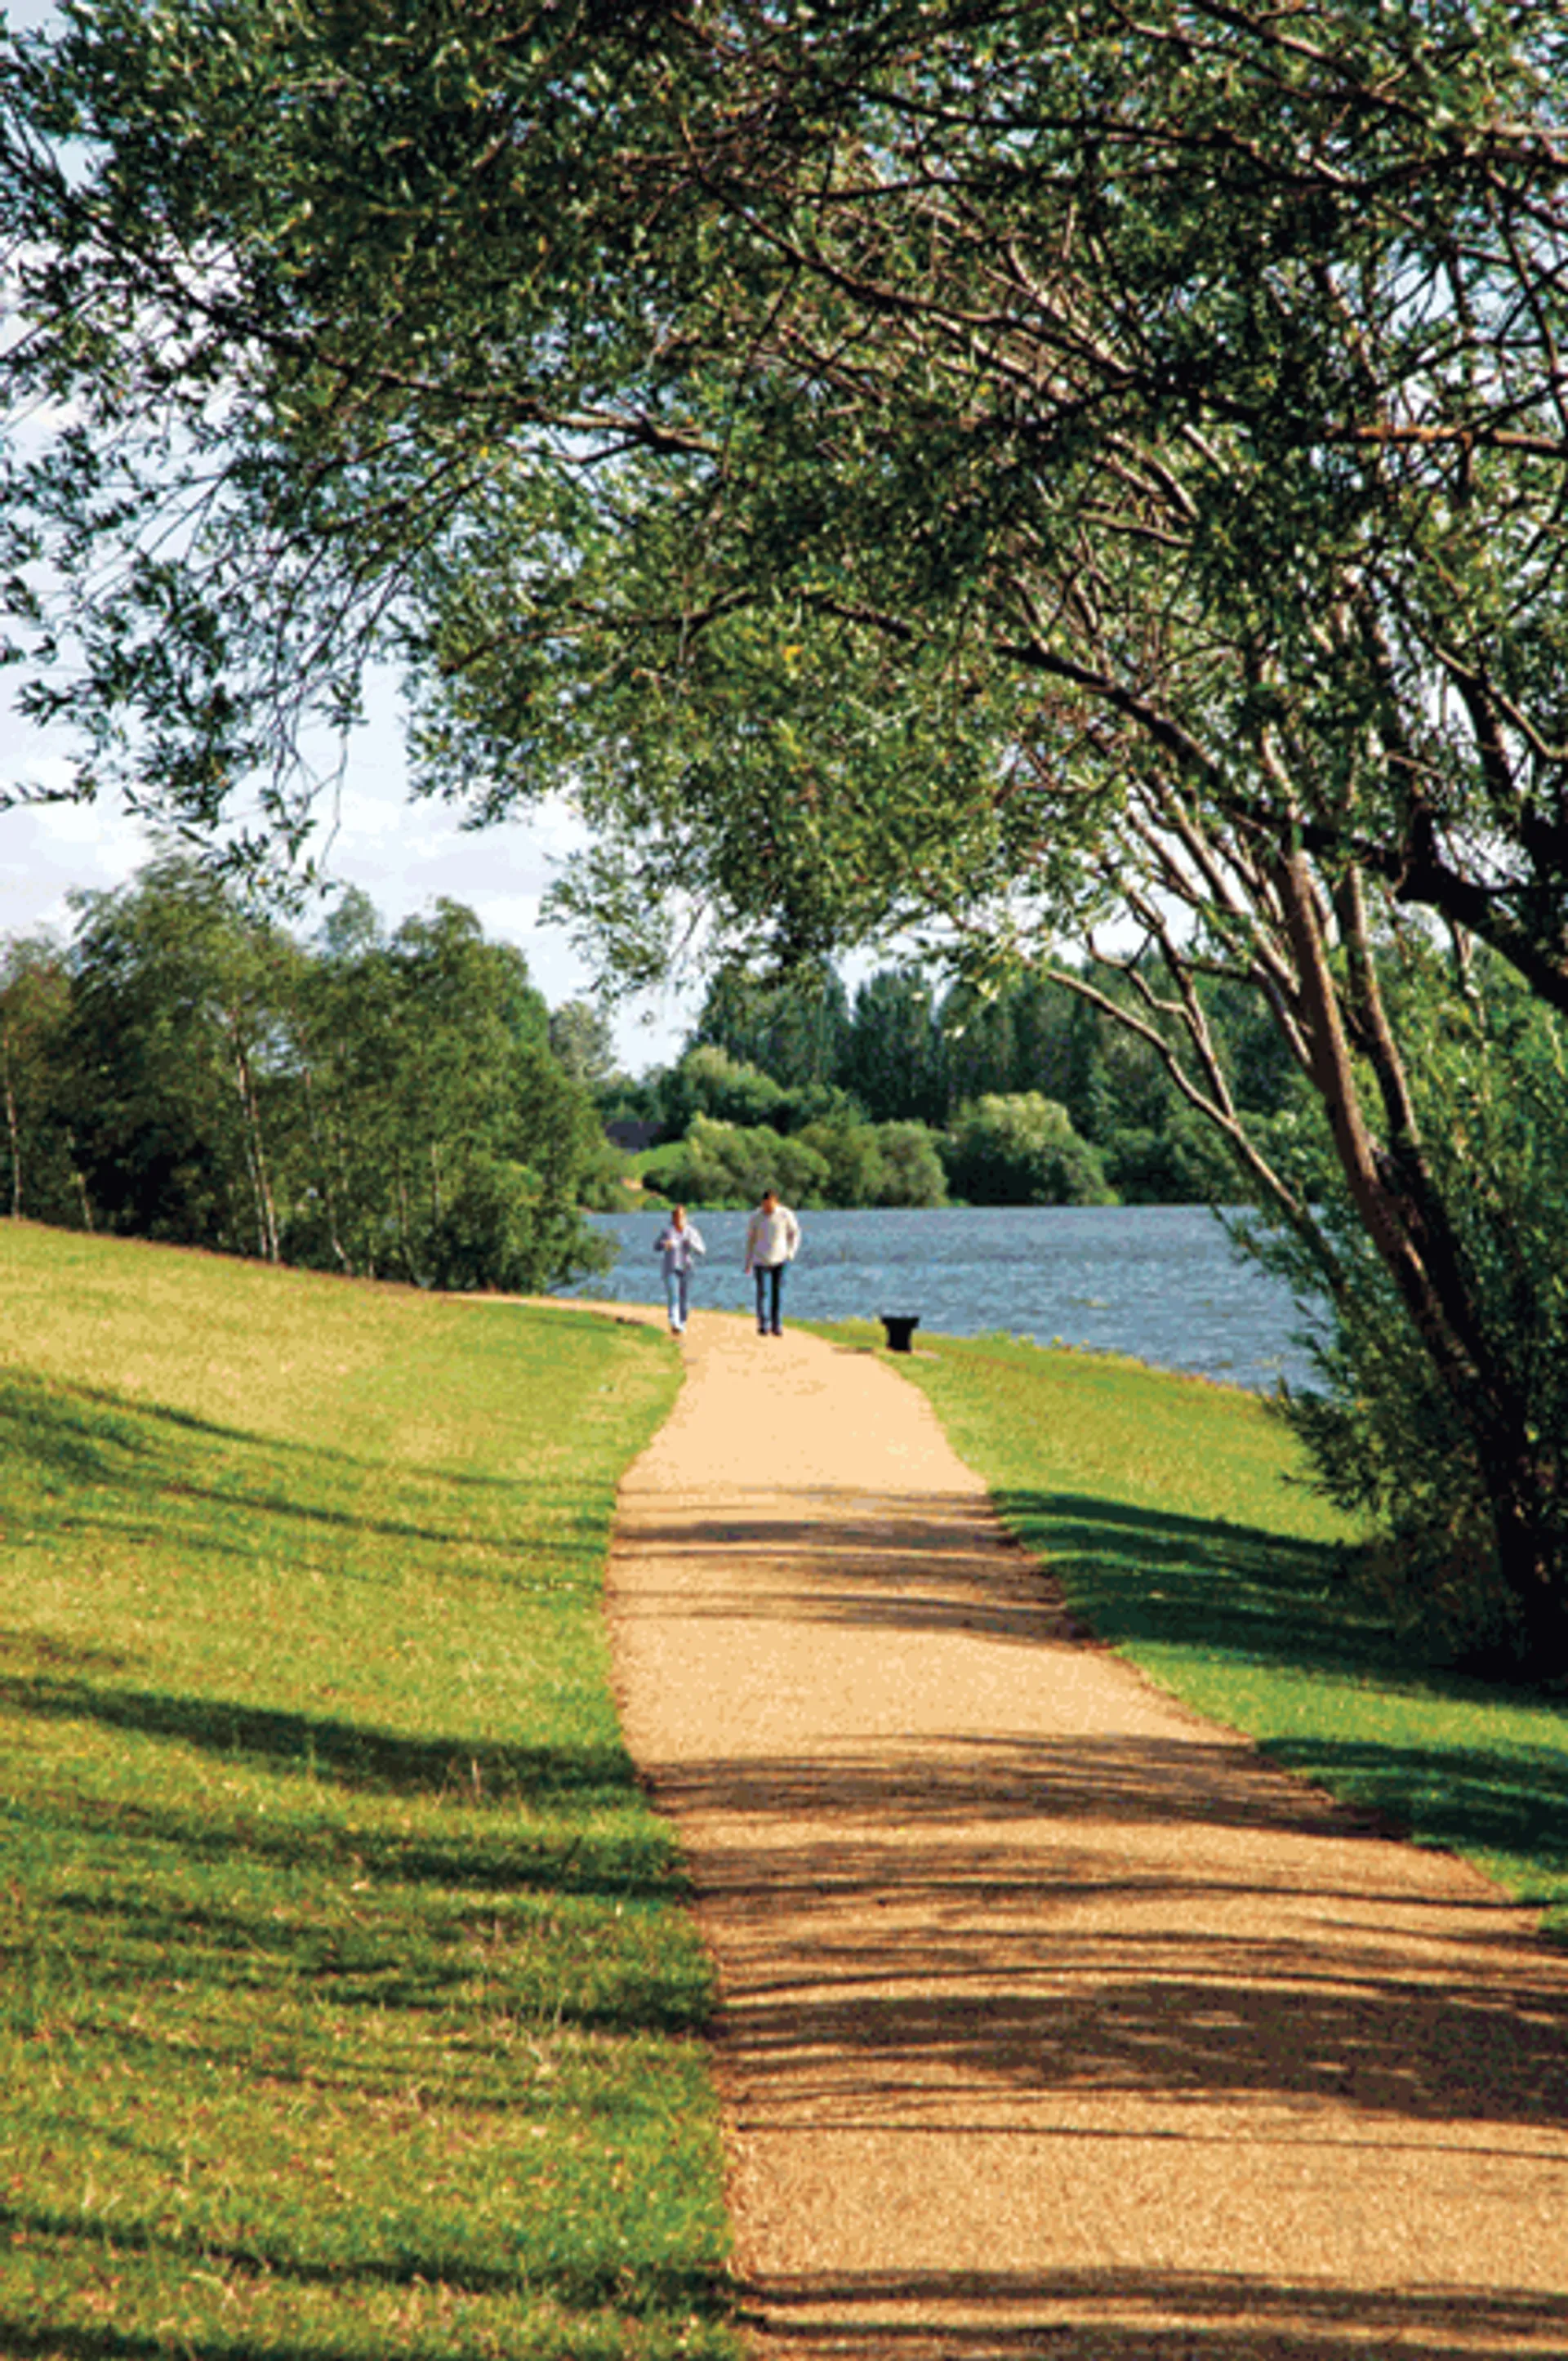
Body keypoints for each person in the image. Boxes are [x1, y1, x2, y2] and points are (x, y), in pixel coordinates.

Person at [743, 1187, 800, 1335]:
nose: (768, 1207)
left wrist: (791, 1253)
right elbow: (751, 1239)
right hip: (761, 1260)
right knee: (763, 1292)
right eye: (765, 1204)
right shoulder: (756, 1217)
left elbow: (795, 1234)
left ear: (776, 1201)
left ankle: (777, 1325)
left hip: (781, 1259)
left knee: (778, 1292)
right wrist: (748, 1261)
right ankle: (763, 1324)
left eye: (770, 1204)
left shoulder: (785, 1215)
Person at [653, 1204, 706, 1334]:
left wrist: (692, 1244)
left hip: (686, 1268)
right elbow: (656, 1246)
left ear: (686, 1218)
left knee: (684, 1298)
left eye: (681, 1217)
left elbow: (702, 1250)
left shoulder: (691, 1232)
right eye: (676, 1217)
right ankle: (674, 1322)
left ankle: (682, 1321)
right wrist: (665, 1244)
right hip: (671, 1267)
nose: (679, 1220)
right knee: (673, 1295)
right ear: (672, 1218)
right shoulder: (667, 1232)